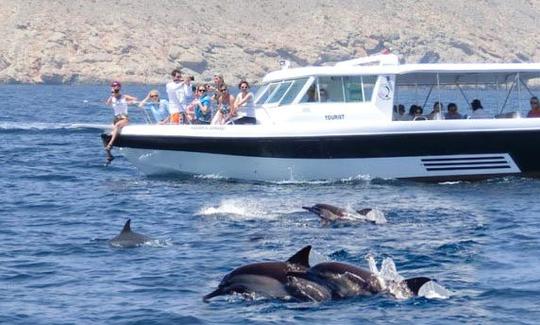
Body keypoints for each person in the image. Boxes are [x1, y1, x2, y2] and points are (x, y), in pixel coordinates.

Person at [104, 81, 137, 163]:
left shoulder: (124, 97)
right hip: (116, 118)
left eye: (116, 89)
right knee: (105, 134)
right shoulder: (112, 98)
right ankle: (109, 155)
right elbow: (107, 104)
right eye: (113, 89)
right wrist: (111, 95)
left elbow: (135, 99)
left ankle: (110, 144)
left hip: (124, 118)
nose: (115, 92)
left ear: (119, 89)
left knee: (117, 126)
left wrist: (129, 102)